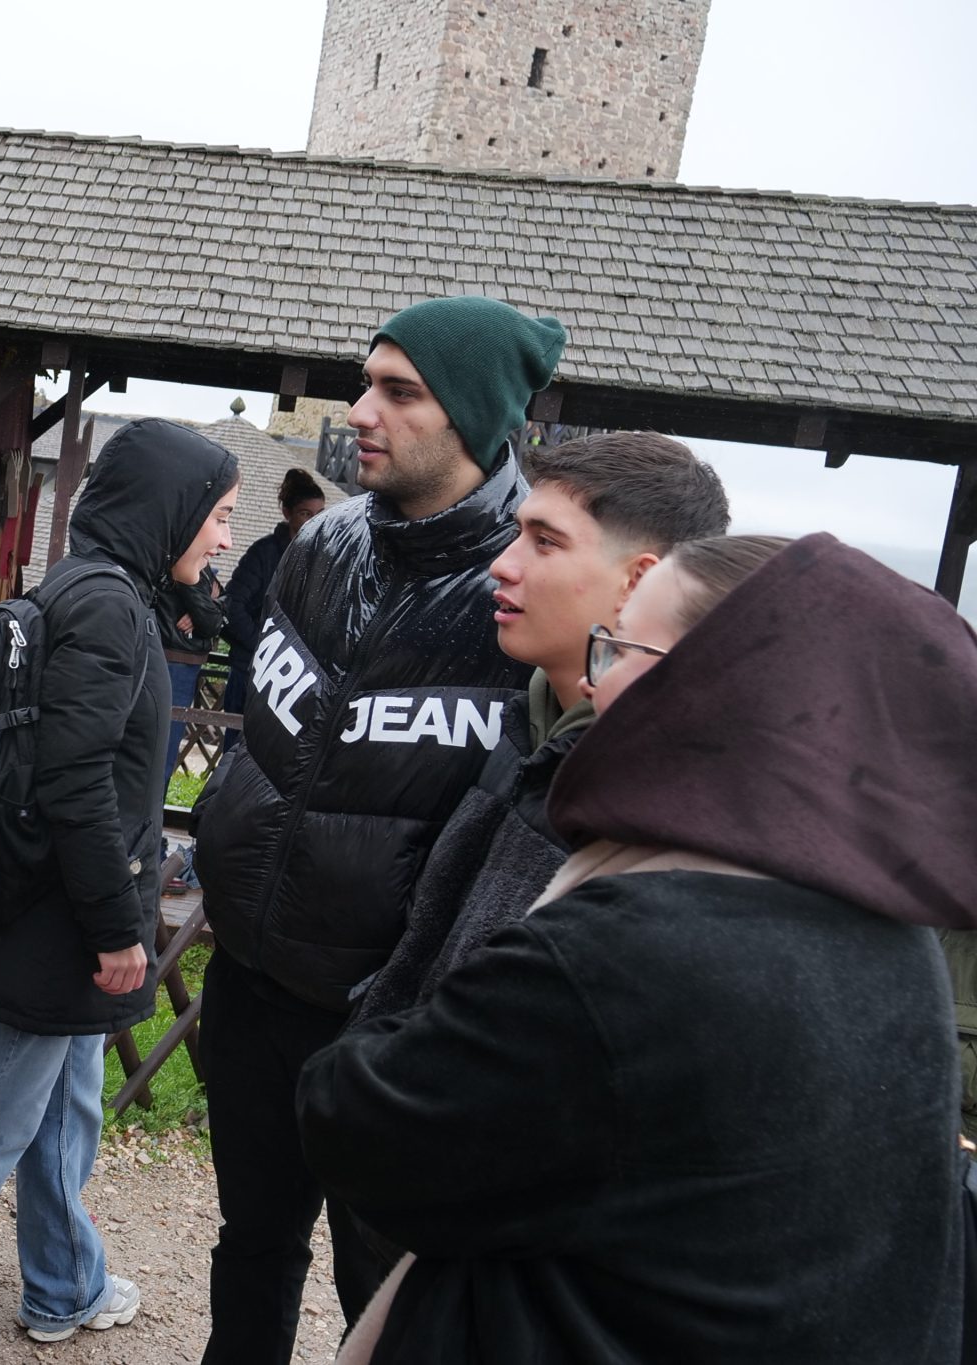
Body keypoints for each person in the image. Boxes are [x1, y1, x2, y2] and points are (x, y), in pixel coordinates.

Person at [304, 532, 976, 1365]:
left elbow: (363, 1127)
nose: (592, 679)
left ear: (725, 691)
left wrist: (381, 1027)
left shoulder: (629, 954)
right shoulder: (892, 936)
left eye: (621, 648)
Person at [191, 295, 566, 1360]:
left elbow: (512, 837)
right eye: (365, 383)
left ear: (475, 418)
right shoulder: (326, 545)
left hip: (389, 1022)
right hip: (252, 981)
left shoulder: (517, 594)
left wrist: (413, 1000)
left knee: (388, 1292)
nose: (358, 411)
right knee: (250, 1242)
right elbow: (263, 737)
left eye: (398, 393)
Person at [0, 419, 240, 1365]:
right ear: (170, 511)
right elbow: (78, 785)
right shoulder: (112, 607)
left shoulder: (104, 589)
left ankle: (64, 1284)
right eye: (219, 517)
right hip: (57, 913)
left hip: (55, 900)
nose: (225, 538)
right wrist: (122, 931)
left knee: (65, 1105)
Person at [349, 432, 730, 1024]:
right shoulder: (526, 723)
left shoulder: (645, 794)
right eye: (518, 532)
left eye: (546, 542)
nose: (503, 563)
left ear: (640, 581)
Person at [219, 468, 327, 722]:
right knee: (237, 748)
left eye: (319, 514)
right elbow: (232, 604)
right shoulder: (264, 553)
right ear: (287, 513)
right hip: (251, 668)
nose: (313, 520)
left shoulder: (323, 558)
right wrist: (261, 645)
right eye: (305, 513)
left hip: (296, 676)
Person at [156, 560, 226, 780]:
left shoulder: (198, 561)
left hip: (178, 657)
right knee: (161, 757)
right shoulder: (187, 558)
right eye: (219, 522)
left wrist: (211, 604)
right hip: (174, 660)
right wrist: (209, 606)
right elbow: (211, 622)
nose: (224, 542)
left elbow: (223, 597)